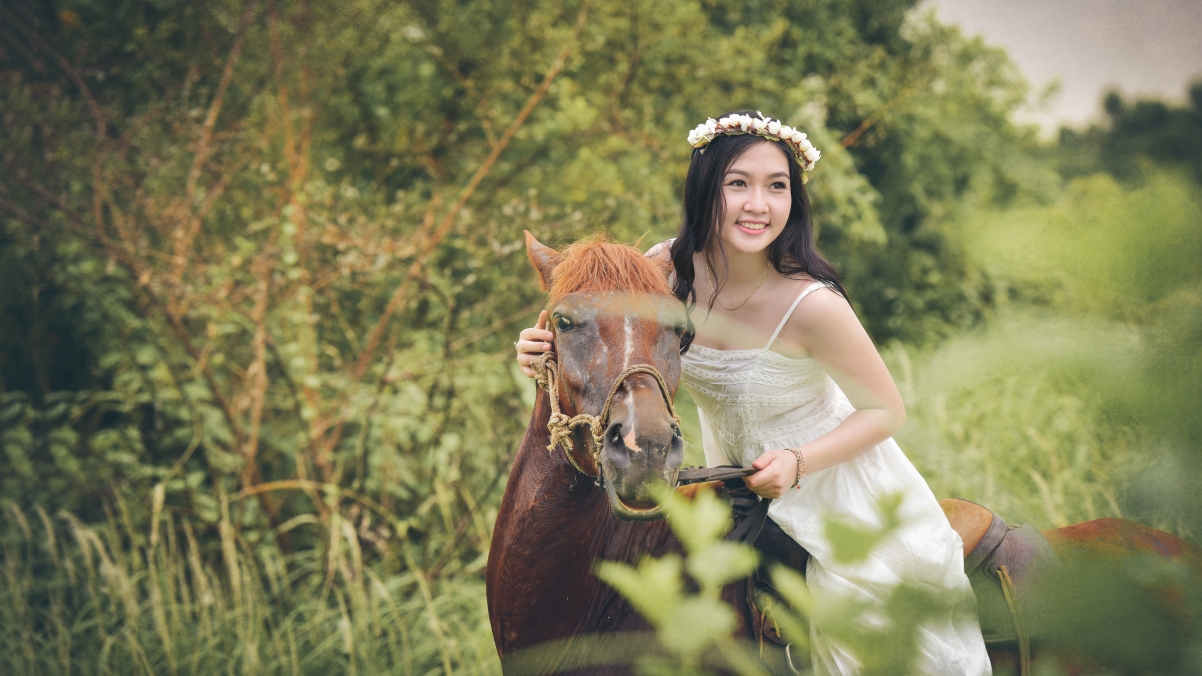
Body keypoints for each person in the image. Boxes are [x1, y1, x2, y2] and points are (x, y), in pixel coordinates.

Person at [514, 110, 990, 675]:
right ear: (704, 192)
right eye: (737, 184)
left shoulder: (813, 305)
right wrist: (538, 346)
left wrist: (798, 461)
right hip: (732, 488)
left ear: (795, 201)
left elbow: (887, 409)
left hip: (838, 492)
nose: (757, 205)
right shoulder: (665, 271)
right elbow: (597, 324)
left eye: (777, 187)